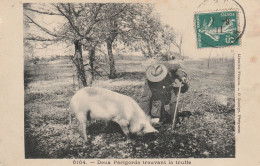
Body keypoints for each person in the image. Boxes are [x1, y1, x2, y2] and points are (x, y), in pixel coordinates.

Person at [139, 61, 190, 125]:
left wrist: (182, 76)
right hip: (155, 86)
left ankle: (175, 120)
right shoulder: (149, 79)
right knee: (150, 99)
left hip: (168, 82)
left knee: (173, 100)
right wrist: (142, 119)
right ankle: (145, 119)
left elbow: (179, 69)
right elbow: (145, 99)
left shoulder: (170, 67)